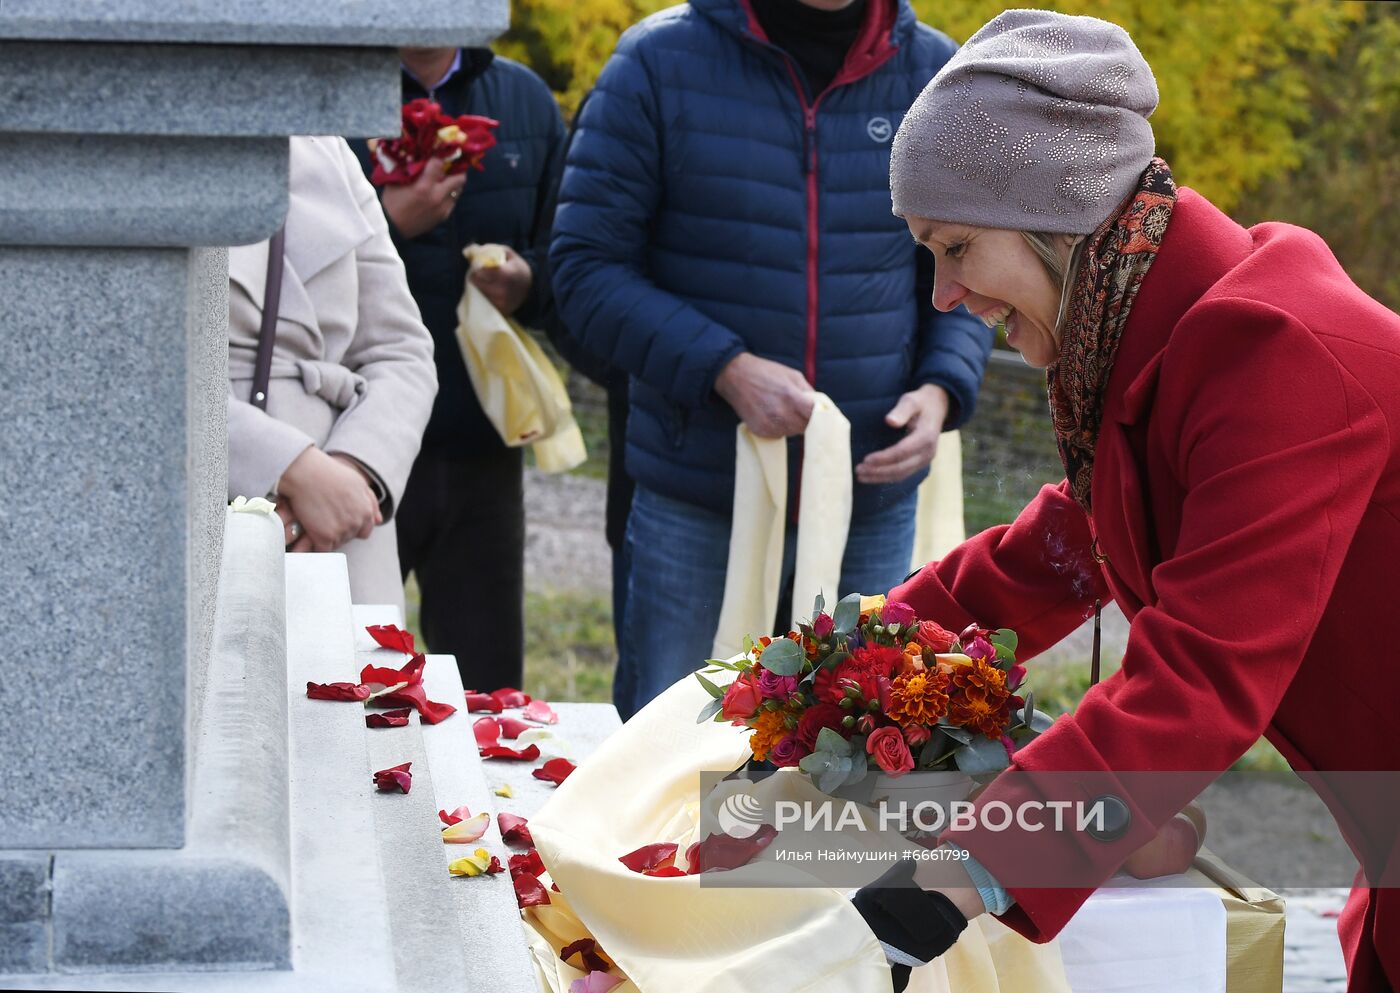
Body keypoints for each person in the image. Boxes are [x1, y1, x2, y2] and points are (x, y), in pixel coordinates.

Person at [848, 10, 1400, 992]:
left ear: (1057, 223)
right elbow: (1050, 559)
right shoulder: (1159, 349)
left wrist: (959, 872)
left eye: (956, 246)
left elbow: (1198, 678)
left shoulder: (1271, 355)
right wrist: (845, 667)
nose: (940, 294)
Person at [551, 0, 990, 721]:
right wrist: (725, 367)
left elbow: (970, 261)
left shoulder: (934, 75)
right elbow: (583, 269)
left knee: (854, 743)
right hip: (700, 494)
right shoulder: (656, 63)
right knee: (674, 739)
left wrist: (945, 387)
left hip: (869, 498)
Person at [350, 46, 567, 692]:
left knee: (483, 689)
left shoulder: (525, 102)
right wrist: (390, 225)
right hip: (355, 446)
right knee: (348, 676)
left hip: (482, 451)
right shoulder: (330, 98)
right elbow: (284, 275)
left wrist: (528, 280)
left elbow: (575, 257)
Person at [227, 135, 437, 615]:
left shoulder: (328, 151)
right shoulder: (135, 141)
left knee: (350, 684)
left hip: (343, 524)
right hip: (213, 493)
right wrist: (291, 467)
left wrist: (352, 470)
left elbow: (402, 350)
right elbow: (127, 369)